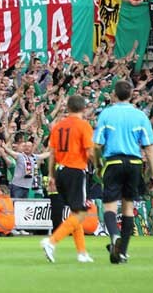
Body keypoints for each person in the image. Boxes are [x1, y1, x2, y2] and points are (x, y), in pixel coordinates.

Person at [93, 80, 153, 264]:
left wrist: (98, 164)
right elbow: (149, 148)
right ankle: (122, 252)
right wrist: (152, 174)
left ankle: (114, 236)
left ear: (114, 94)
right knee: (128, 207)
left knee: (110, 206)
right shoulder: (140, 116)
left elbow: (96, 145)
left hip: (113, 161)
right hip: (135, 162)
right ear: (131, 95)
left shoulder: (107, 114)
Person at [40, 95, 95, 263]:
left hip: (61, 171)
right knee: (81, 213)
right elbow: (90, 151)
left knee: (74, 212)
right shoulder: (84, 125)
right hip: (76, 170)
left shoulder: (58, 127)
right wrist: (99, 167)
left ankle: (82, 252)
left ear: (68, 108)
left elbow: (52, 154)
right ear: (84, 108)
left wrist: (51, 175)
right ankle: (51, 241)